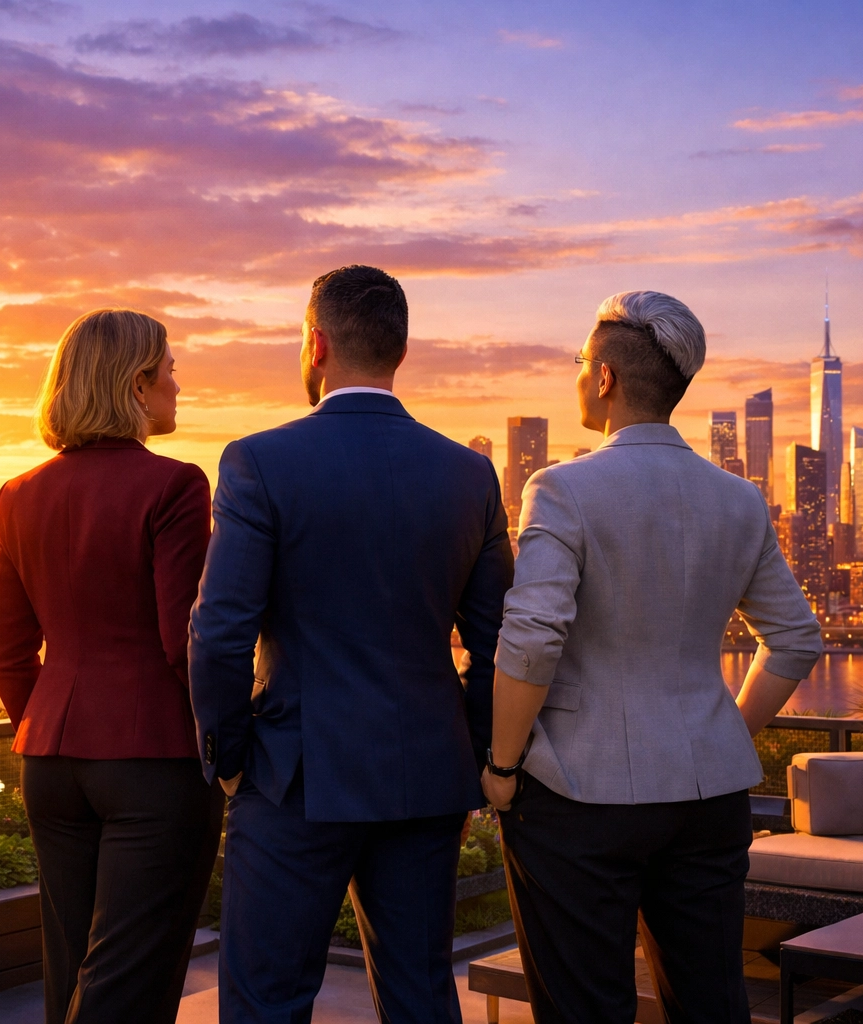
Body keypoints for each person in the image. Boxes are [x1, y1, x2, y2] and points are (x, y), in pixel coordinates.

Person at [480, 291, 823, 1024]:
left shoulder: (561, 488)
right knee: (711, 1003)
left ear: (604, 377)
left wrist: (502, 768)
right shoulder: (740, 499)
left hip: (578, 794)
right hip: (707, 797)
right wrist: (724, 732)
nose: (578, 374)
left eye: (581, 361)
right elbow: (795, 638)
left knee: (584, 1008)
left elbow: (533, 636)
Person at [188, 265, 513, 1023]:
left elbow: (219, 633)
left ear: (316, 344)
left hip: (293, 774)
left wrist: (228, 759)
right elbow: (498, 642)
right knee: (420, 996)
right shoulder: (469, 475)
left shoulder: (259, 461)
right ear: (400, 349)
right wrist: (470, 753)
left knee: (266, 1001)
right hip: (425, 774)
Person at [0, 309, 224, 1024]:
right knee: (130, 980)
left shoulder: (18, 494)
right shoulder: (175, 485)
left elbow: (7, 655)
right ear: (137, 383)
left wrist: (50, 726)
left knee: (72, 970)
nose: (179, 386)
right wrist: (226, 743)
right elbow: (183, 642)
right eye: (170, 370)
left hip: (50, 764)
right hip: (154, 761)